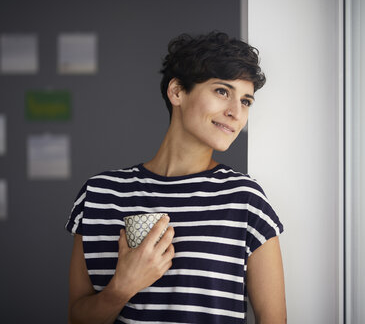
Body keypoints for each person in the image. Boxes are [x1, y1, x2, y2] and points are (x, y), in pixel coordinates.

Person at [65, 31, 286, 324]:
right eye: (222, 91)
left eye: (246, 101)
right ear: (177, 92)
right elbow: (77, 318)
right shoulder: (99, 195)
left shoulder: (246, 200)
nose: (235, 112)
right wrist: (122, 288)